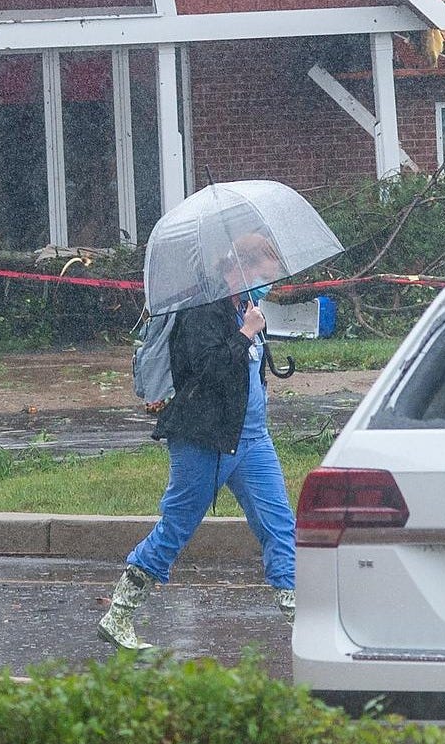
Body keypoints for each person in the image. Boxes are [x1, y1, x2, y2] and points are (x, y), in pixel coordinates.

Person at [98, 234, 297, 650]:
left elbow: (247, 373)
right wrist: (245, 334)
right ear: (239, 268)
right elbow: (205, 373)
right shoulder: (201, 310)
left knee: (280, 525)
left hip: (252, 438)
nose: (269, 284)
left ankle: (301, 616)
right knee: (177, 526)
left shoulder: (243, 306)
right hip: (204, 438)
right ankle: (119, 614)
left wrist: (251, 333)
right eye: (264, 274)